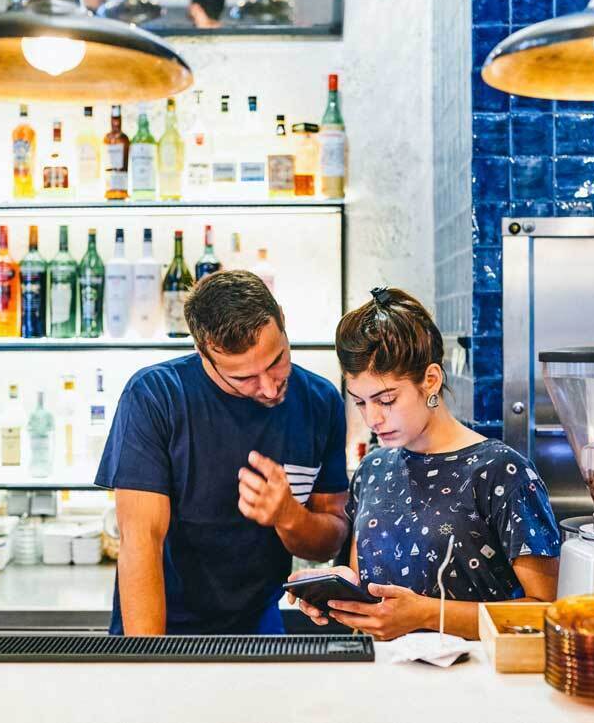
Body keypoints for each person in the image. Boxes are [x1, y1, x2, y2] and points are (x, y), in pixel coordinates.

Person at [288, 287, 560, 641]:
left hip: (473, 673)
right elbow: (366, 585)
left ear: (430, 380)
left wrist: (428, 615)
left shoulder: (502, 471)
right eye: (360, 402)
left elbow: (543, 613)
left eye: (386, 400)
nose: (372, 418)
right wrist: (336, 593)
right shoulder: (372, 469)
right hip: (380, 668)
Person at [95, 270, 350, 635]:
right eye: (244, 378)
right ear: (203, 353)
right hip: (163, 624)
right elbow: (141, 541)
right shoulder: (155, 396)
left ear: (282, 318)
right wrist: (149, 657)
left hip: (259, 624)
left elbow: (330, 539)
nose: (269, 387)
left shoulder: (320, 401)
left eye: (276, 360)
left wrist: (289, 516)